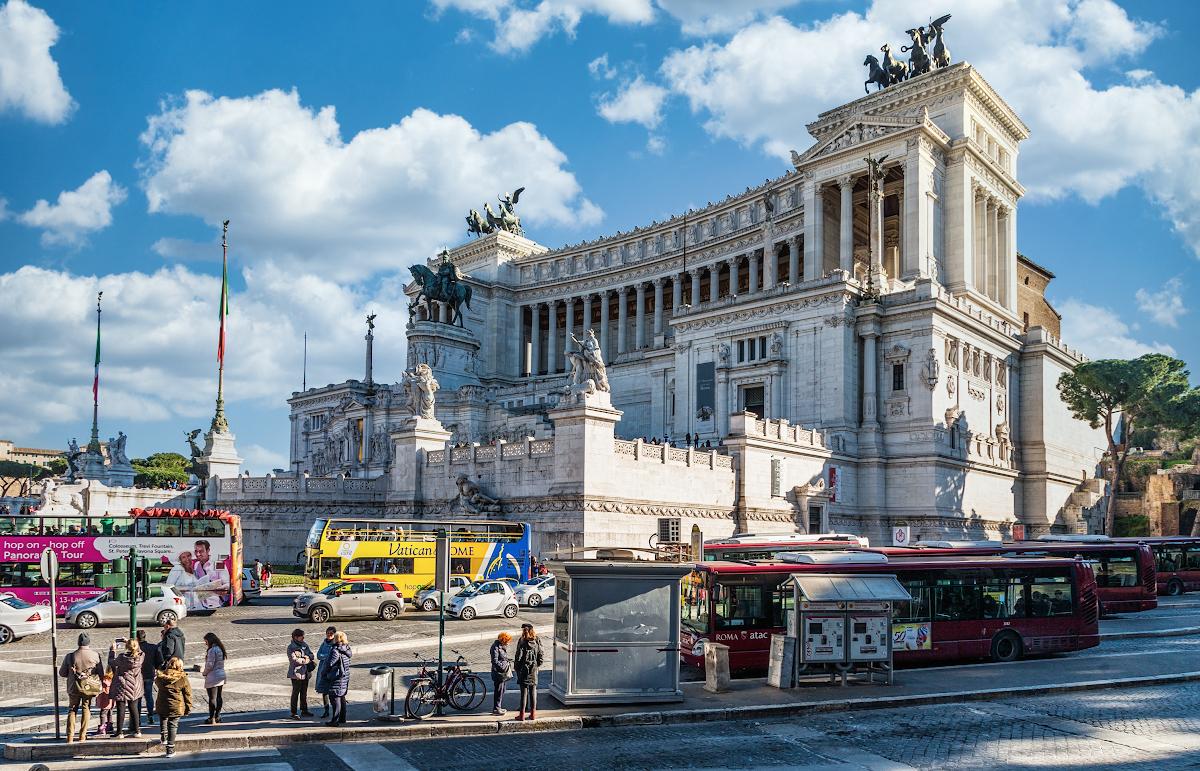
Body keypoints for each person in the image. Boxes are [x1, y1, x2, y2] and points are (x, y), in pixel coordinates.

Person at [59, 632, 105, 742]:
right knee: (86, 708)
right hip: (88, 687)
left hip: (74, 687)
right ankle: (82, 735)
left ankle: (70, 736)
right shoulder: (95, 655)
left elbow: (62, 673)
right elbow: (101, 673)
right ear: (89, 643)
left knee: (72, 710)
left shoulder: (70, 656)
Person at [108, 638, 145, 738]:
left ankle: (119, 732)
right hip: (135, 685)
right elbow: (140, 650)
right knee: (134, 708)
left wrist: (112, 650)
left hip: (122, 684)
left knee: (121, 708)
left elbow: (111, 662)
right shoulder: (140, 657)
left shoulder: (122, 657)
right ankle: (137, 730)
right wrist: (130, 641)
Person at [155, 657, 192, 758]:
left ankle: (163, 737)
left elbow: (156, 683)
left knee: (163, 718)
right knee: (173, 725)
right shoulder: (183, 679)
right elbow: (188, 695)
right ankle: (170, 748)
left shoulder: (161, 677)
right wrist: (188, 708)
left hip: (162, 703)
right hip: (176, 706)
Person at [320, 631, 352, 726]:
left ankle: (335, 720)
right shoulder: (346, 649)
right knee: (342, 696)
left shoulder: (335, 650)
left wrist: (324, 672)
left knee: (335, 698)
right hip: (344, 676)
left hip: (336, 677)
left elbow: (330, 663)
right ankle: (342, 718)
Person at [514, 623, 543, 721]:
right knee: (533, 692)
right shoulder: (536, 642)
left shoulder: (522, 643)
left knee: (524, 693)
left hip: (523, 670)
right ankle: (533, 714)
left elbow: (518, 658)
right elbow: (541, 656)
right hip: (533, 670)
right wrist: (536, 665)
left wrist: (516, 668)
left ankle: (521, 715)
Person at [136, 629, 164, 726]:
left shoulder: (136, 648)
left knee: (138, 697)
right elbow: (159, 661)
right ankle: (150, 715)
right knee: (149, 695)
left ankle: (137, 718)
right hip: (150, 674)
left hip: (138, 675)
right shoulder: (153, 647)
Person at [287, 629, 316, 719]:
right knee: (296, 693)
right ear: (295, 637)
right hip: (296, 674)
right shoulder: (291, 647)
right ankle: (293, 712)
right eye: (301, 636)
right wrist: (306, 660)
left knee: (304, 692)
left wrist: (309, 657)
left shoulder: (305, 645)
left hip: (305, 673)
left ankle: (304, 709)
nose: (303, 638)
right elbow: (294, 660)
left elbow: (312, 655)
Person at [201, 632, 227, 724]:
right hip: (221, 674)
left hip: (213, 675)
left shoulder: (212, 650)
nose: (206, 644)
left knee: (212, 697)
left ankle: (211, 717)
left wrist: (204, 672)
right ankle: (217, 716)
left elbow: (210, 664)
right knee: (219, 697)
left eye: (206, 641)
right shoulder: (220, 648)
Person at [490, 632, 512, 716]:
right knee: (498, 690)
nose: (508, 643)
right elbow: (494, 660)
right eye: (507, 641)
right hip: (499, 673)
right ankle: (496, 708)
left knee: (502, 690)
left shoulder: (502, 646)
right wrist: (502, 666)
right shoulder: (495, 647)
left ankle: (498, 707)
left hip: (502, 672)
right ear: (503, 640)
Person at [95, 671, 115, 736]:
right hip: (111, 699)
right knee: (110, 712)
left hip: (104, 699)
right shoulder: (113, 680)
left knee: (103, 713)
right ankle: (109, 725)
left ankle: (102, 727)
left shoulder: (103, 680)